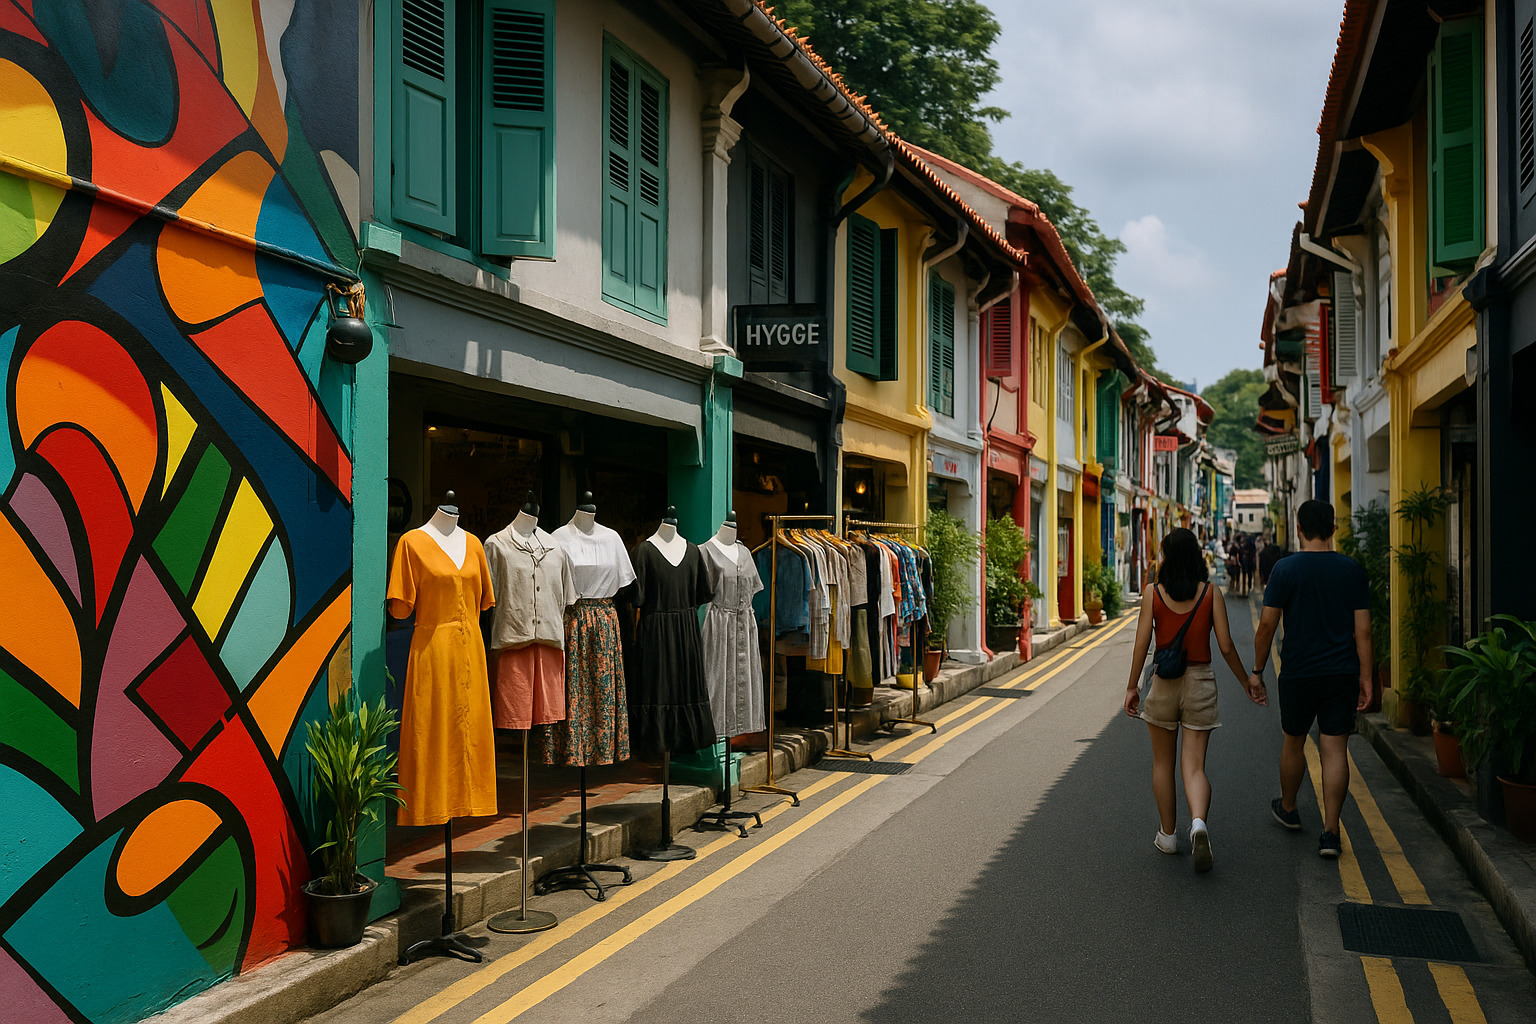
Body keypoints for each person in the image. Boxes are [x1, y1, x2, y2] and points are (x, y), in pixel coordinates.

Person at [1124, 528, 1266, 873]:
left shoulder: (1152, 594)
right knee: (1194, 766)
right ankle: (1198, 823)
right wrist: (1248, 679)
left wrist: (1132, 688)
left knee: (1162, 764)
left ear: (1167, 557)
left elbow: (1142, 643)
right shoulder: (1210, 593)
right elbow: (1227, 646)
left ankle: (1168, 835)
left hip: (1164, 683)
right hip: (1201, 681)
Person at [1249, 500, 1373, 859]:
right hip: (1341, 672)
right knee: (1335, 749)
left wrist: (1257, 672)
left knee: (1294, 742)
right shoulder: (1352, 570)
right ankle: (1331, 833)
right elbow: (1362, 631)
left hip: (1298, 671)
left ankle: (1288, 808)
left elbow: (1267, 625)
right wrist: (1367, 677)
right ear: (1334, 529)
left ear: (1299, 528)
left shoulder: (1285, 570)